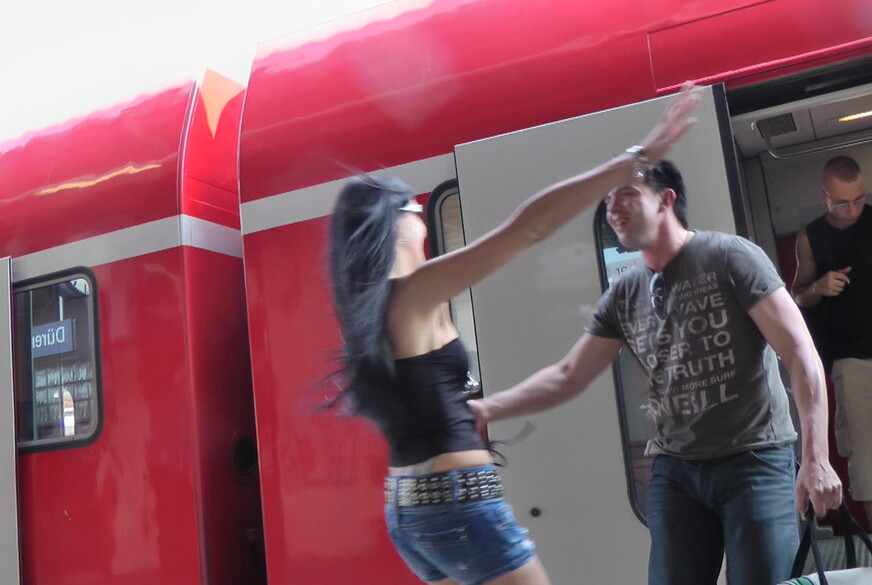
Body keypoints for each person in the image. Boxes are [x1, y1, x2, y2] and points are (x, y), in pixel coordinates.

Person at [325, 83, 702, 585]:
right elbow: (528, 229)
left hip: (409, 510)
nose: (422, 223)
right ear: (395, 224)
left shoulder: (369, 311)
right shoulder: (412, 293)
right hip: (458, 502)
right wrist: (636, 160)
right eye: (415, 211)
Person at [467, 160, 843, 585]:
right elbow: (568, 375)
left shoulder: (730, 257)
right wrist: (485, 408)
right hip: (676, 471)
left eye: (626, 194)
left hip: (754, 459)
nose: (612, 208)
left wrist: (816, 458)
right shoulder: (624, 294)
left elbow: (799, 352)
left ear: (666, 200)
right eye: (608, 200)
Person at [792, 155, 872, 526]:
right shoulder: (811, 237)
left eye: (859, 199)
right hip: (850, 360)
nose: (853, 209)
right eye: (842, 203)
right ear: (824, 196)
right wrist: (819, 287)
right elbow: (796, 296)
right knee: (866, 464)